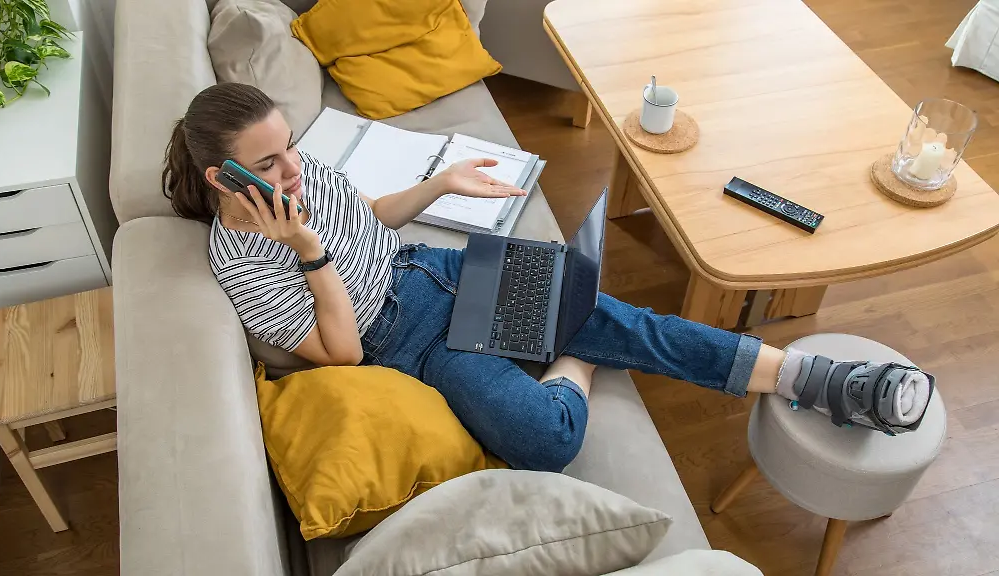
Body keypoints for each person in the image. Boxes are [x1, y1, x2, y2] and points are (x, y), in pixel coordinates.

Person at [163, 83, 933, 472]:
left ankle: (816, 379)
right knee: (544, 439)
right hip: (405, 344)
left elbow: (365, 216)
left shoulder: (302, 175)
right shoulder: (240, 264)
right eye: (270, 164)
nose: (294, 169)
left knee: (631, 322)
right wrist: (306, 249)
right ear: (223, 178)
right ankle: (580, 357)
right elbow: (344, 354)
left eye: (291, 148)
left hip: (432, 267)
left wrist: (439, 186)